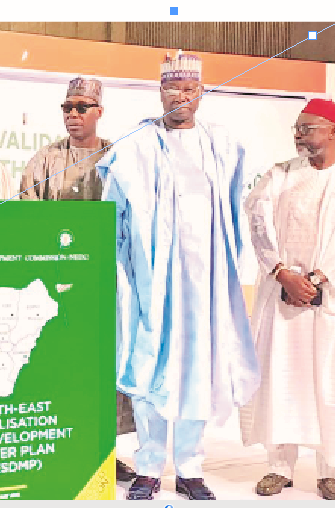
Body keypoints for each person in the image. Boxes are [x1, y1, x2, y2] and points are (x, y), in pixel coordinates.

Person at [97, 50, 260, 500]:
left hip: (204, 287)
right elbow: (112, 216)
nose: (180, 98)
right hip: (151, 283)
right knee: (151, 366)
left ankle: (190, 468)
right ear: (160, 92)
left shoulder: (222, 145)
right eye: (172, 90)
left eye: (189, 90)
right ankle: (149, 466)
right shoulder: (134, 147)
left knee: (197, 371)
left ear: (201, 94)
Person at [19, 76, 137, 482]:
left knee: (104, 369)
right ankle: (57, 449)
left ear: (99, 112)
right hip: (53, 285)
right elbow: (27, 214)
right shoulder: (45, 159)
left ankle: (105, 451)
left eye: (81, 107)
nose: (72, 114)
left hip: (105, 282)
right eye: (67, 108)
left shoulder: (118, 155)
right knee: (56, 367)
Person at [240, 98, 335, 500]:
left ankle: (330, 469)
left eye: (308, 127)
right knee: (280, 376)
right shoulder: (279, 174)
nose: (298, 134)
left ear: (332, 130)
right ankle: (279, 467)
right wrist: (283, 273)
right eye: (296, 128)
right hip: (282, 295)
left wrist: (315, 278)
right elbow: (257, 218)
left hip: (326, 298)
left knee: (327, 382)